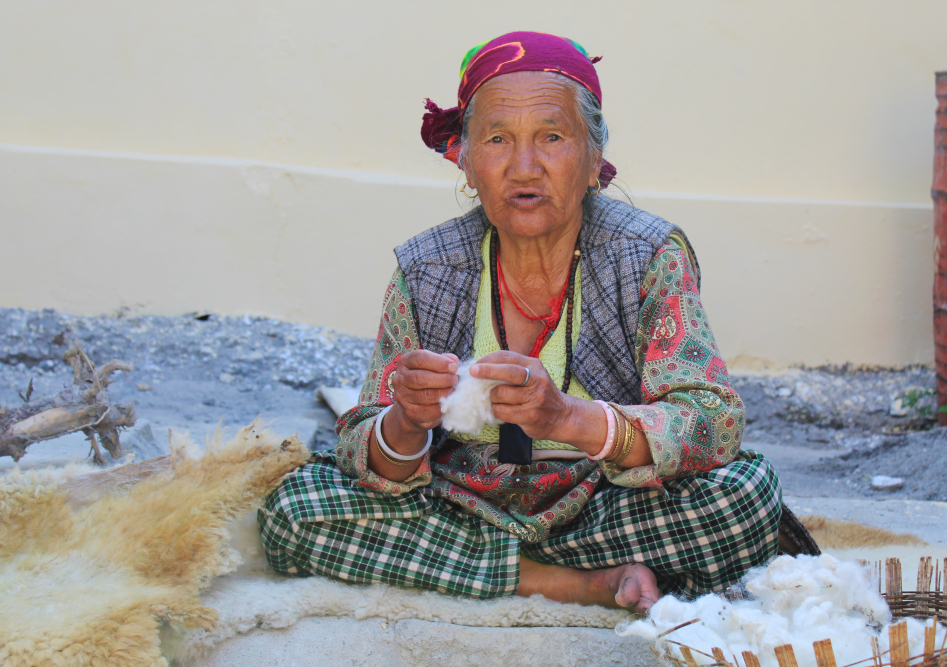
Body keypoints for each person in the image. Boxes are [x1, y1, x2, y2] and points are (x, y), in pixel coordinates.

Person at [258, 31, 782, 613]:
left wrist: (568, 417)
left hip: (603, 503)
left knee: (742, 500)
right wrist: (405, 420)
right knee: (296, 513)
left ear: (592, 161)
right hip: (459, 500)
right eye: (498, 139)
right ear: (466, 162)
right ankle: (577, 581)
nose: (524, 166)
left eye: (552, 137)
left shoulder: (645, 256)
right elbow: (363, 447)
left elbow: (711, 423)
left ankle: (473, 566)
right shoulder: (428, 270)